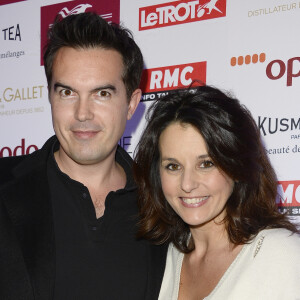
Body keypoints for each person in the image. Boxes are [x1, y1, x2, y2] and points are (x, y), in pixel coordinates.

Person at [0, 12, 167, 300]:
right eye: (67, 92)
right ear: (51, 97)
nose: (82, 113)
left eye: (102, 93)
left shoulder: (167, 203)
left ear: (131, 103)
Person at [133, 85, 300, 299]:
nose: (187, 184)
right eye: (173, 166)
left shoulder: (280, 254)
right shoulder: (165, 258)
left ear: (237, 166)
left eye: (206, 164)